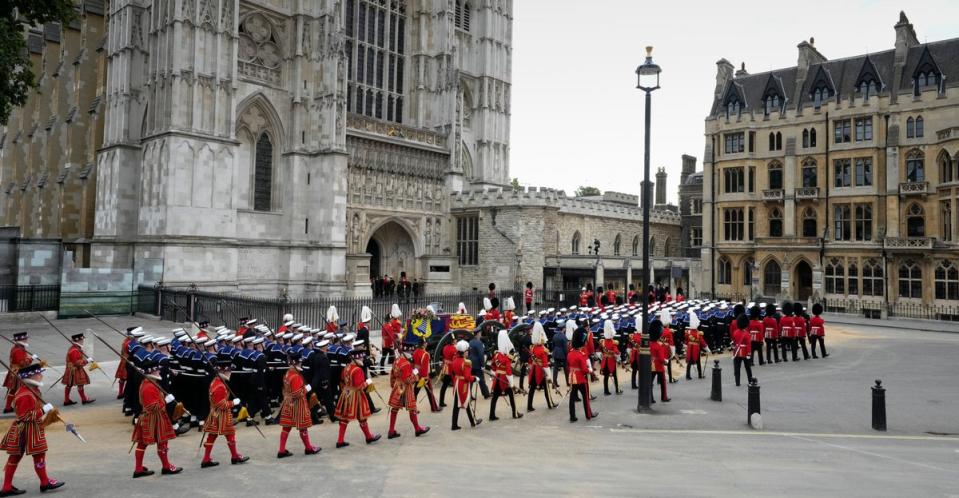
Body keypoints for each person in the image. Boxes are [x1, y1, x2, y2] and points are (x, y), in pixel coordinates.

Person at [0, 362, 64, 494]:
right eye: (38, 374)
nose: (41, 376)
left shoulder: (31, 390)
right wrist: (44, 410)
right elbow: (26, 416)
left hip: (27, 429)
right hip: (28, 429)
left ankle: (7, 487)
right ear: (32, 377)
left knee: (16, 457)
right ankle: (44, 482)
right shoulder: (25, 395)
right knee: (35, 455)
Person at [132, 359, 182, 478]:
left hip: (149, 417)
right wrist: (165, 401)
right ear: (152, 371)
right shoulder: (149, 387)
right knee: (162, 442)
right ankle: (166, 466)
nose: (159, 371)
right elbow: (152, 406)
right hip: (154, 417)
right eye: (157, 370)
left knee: (142, 443)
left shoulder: (150, 383)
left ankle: (138, 468)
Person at [201, 356, 248, 468]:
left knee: (213, 436)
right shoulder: (220, 386)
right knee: (230, 434)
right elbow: (220, 404)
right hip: (221, 415)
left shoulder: (216, 381)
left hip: (214, 414)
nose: (230, 372)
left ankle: (206, 458)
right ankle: (234, 456)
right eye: (229, 370)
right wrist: (233, 403)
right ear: (224, 371)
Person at [334, 350, 381, 448]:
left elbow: (342, 381)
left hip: (346, 394)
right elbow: (359, 386)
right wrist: (367, 382)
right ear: (356, 358)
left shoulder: (346, 368)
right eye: (361, 357)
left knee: (344, 418)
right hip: (356, 395)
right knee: (362, 416)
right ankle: (368, 437)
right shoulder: (357, 370)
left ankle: (340, 440)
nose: (362, 359)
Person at [276, 355, 321, 458]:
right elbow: (297, 393)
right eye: (299, 362)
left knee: (286, 427)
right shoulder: (295, 376)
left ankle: (281, 450)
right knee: (303, 427)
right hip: (298, 404)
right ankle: (308, 448)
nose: (301, 364)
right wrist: (307, 389)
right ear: (295, 363)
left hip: (288, 403)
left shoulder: (287, 373)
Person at [386, 344, 430, 439]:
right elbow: (408, 380)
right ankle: (417, 429)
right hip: (406, 388)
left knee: (394, 408)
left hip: (397, 386)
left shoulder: (396, 361)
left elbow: (392, 375)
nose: (411, 354)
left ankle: (391, 430)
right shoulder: (406, 364)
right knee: (412, 408)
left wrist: (392, 384)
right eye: (410, 352)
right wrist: (415, 373)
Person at [489, 330, 522, 421]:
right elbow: (508, 372)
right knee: (511, 396)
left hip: (497, 378)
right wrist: (511, 383)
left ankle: (491, 415)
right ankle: (515, 413)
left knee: (494, 398)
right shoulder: (506, 358)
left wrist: (493, 376)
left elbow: (492, 366)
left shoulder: (496, 355)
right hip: (504, 379)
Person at [567, 329, 598, 423]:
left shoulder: (570, 353)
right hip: (581, 378)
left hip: (572, 378)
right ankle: (588, 414)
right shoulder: (581, 355)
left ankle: (572, 416)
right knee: (586, 397)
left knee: (572, 398)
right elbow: (584, 370)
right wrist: (591, 371)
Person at [451, 340, 482, 430]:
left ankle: (456, 424)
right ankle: (473, 421)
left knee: (458, 404)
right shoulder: (466, 362)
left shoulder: (455, 360)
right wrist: (475, 378)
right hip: (463, 384)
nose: (468, 352)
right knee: (466, 401)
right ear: (464, 352)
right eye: (467, 351)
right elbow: (467, 377)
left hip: (457, 383)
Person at [527, 322, 557, 411]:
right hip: (541, 370)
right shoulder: (543, 349)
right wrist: (549, 376)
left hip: (534, 369)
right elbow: (545, 364)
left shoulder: (532, 348)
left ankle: (529, 406)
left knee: (532, 388)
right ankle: (550, 404)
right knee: (547, 388)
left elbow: (531, 360)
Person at [3, 332, 35, 414]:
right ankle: (15, 407)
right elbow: (23, 363)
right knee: (18, 390)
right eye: (25, 339)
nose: (27, 340)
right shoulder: (18, 350)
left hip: (15, 371)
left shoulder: (18, 347)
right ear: (21, 340)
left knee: (13, 390)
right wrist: (31, 359)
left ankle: (8, 407)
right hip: (18, 372)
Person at [63, 332, 95, 406]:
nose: (83, 341)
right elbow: (77, 363)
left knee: (69, 385)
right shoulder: (75, 350)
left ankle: (67, 400)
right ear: (78, 341)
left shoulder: (75, 348)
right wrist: (87, 361)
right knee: (80, 384)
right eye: (82, 340)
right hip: (75, 370)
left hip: (71, 369)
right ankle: (84, 399)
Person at [411, 340, 440, 413]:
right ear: (423, 344)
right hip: (423, 377)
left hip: (417, 374)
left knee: (415, 393)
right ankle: (434, 408)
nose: (427, 344)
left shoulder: (415, 352)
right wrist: (425, 378)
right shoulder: (425, 354)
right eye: (426, 343)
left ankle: (413, 409)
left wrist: (415, 374)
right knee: (430, 392)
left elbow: (413, 365)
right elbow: (424, 368)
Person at [648, 321, 670, 403]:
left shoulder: (650, 344)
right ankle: (664, 397)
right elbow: (661, 358)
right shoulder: (659, 345)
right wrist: (666, 361)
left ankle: (651, 398)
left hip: (652, 365)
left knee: (650, 383)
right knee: (663, 383)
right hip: (659, 366)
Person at [599, 320, 622, 395]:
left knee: (606, 376)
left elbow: (601, 350)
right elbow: (616, 352)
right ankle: (617, 390)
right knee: (615, 376)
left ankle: (606, 390)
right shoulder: (613, 342)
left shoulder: (602, 341)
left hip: (605, 360)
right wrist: (618, 354)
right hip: (611, 361)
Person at [684, 312, 710, 379]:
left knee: (689, 361)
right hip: (696, 348)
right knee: (698, 361)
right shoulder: (698, 333)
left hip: (690, 347)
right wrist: (707, 348)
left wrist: (686, 347)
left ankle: (687, 375)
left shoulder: (688, 332)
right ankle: (700, 375)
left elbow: (686, 340)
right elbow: (702, 342)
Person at [732, 314, 753, 387]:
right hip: (745, 351)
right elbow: (748, 344)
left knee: (737, 367)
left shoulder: (735, 332)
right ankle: (750, 380)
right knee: (747, 367)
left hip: (737, 351)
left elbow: (734, 342)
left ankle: (737, 382)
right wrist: (749, 353)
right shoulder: (746, 333)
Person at [468, 329, 490, 399]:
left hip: (470, 363)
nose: (480, 334)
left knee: (471, 380)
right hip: (477, 364)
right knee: (481, 380)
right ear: (477, 334)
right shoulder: (479, 343)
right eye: (480, 333)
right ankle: (486, 394)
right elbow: (481, 355)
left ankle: (469, 395)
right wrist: (483, 365)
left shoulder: (470, 342)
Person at [380, 305, 402, 370]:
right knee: (393, 357)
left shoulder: (384, 325)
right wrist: (392, 344)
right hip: (388, 344)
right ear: (390, 319)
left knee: (383, 357)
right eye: (391, 319)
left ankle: (382, 370)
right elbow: (391, 336)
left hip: (384, 344)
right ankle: (394, 369)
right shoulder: (389, 326)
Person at [437, 337, 457, 408]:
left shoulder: (445, 347)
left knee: (444, 386)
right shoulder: (454, 348)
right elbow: (455, 359)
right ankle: (458, 401)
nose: (456, 340)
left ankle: (441, 401)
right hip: (452, 368)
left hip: (446, 367)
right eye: (455, 340)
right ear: (452, 341)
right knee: (456, 384)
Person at [551, 322, 569, 387]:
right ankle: (568, 382)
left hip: (556, 353)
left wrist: (554, 351)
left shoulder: (555, 335)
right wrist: (567, 355)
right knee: (566, 369)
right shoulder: (564, 337)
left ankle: (554, 383)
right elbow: (565, 347)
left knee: (555, 369)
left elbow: (553, 345)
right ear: (563, 329)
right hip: (562, 354)